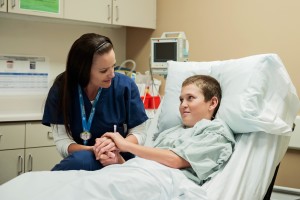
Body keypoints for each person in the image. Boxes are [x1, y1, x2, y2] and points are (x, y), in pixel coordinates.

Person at [95, 74, 235, 185]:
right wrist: (118, 161)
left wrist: (126, 145)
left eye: (190, 98)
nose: (183, 105)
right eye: (181, 100)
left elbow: (175, 160)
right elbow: (146, 166)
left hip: (164, 184)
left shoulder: (216, 131)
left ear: (213, 103)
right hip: (138, 178)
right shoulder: (170, 132)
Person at [42, 33, 148, 171]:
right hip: (79, 163)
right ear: (83, 70)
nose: (112, 74)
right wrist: (94, 150)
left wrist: (117, 145)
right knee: (82, 159)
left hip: (120, 163)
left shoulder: (125, 87)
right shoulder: (62, 89)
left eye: (113, 66)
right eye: (104, 70)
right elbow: (62, 141)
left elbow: (140, 132)